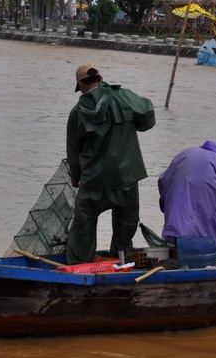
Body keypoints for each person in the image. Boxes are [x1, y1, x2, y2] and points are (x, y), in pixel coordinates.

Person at [65, 62, 156, 264]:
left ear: (80, 84)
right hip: (127, 178)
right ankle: (120, 259)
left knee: (84, 223)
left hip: (94, 181)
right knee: (126, 221)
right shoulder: (124, 97)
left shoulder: (78, 111)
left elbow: (73, 150)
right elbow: (148, 115)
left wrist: (76, 177)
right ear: (101, 79)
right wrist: (133, 124)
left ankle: (82, 264)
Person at [158, 140, 216, 254]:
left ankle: (180, 256)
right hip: (206, 199)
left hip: (178, 207)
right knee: (204, 228)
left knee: (181, 226)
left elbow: (164, 181)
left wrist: (166, 207)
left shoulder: (185, 154)